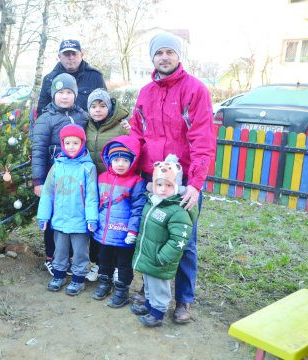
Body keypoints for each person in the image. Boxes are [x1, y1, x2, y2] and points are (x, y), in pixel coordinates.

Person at [129, 32, 216, 324]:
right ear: (152, 58)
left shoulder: (195, 90)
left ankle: (184, 299)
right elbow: (136, 135)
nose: (164, 57)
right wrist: (133, 172)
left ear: (179, 56)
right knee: (152, 235)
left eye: (169, 52)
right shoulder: (145, 93)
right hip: (151, 179)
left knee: (183, 239)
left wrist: (195, 183)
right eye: (158, 53)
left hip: (183, 182)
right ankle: (151, 291)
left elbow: (203, 140)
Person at [130, 155, 197, 327]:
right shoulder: (153, 202)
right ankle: (149, 305)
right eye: (159, 184)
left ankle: (158, 313)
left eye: (168, 185)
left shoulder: (177, 211)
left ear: (177, 187)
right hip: (149, 254)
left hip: (160, 259)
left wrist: (163, 257)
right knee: (149, 283)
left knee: (159, 286)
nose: (163, 189)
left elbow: (179, 239)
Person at [31, 73, 88, 276]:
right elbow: (37, 150)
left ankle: (71, 256)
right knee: (53, 215)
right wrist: (38, 180)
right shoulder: (46, 119)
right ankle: (51, 256)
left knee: (74, 213)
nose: (64, 96)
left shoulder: (83, 116)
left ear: (75, 94)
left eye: (69, 92)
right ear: (54, 94)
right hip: (53, 176)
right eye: (60, 92)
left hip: (77, 176)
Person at [37, 124, 98, 295]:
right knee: (60, 250)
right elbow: (48, 193)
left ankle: (78, 278)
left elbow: (92, 195)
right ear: (63, 144)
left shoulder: (88, 167)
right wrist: (44, 217)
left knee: (80, 252)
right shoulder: (57, 166)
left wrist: (91, 219)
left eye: (75, 143)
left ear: (82, 143)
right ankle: (59, 275)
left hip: (79, 221)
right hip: (60, 220)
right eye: (68, 143)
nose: (71, 147)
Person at [91, 136, 146, 308]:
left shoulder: (136, 182)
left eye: (125, 160)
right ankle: (104, 283)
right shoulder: (102, 178)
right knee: (104, 259)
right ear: (109, 160)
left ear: (132, 161)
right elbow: (94, 200)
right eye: (116, 159)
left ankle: (122, 290)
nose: (120, 164)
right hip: (104, 232)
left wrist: (133, 231)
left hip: (124, 234)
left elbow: (138, 209)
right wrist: (92, 221)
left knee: (123, 264)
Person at [84, 88, 130, 281]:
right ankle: (96, 264)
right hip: (92, 185)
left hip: (114, 186)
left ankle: (115, 267)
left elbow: (130, 149)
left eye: (102, 106)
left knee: (113, 225)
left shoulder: (121, 126)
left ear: (109, 107)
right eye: (93, 106)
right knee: (94, 224)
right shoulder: (86, 125)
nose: (97, 110)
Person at [37, 39, 106, 115]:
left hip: (87, 125)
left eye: (74, 53)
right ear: (59, 56)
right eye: (66, 54)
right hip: (57, 126)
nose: (71, 57)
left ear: (81, 55)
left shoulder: (95, 77)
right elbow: (42, 110)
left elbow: (106, 104)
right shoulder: (49, 79)